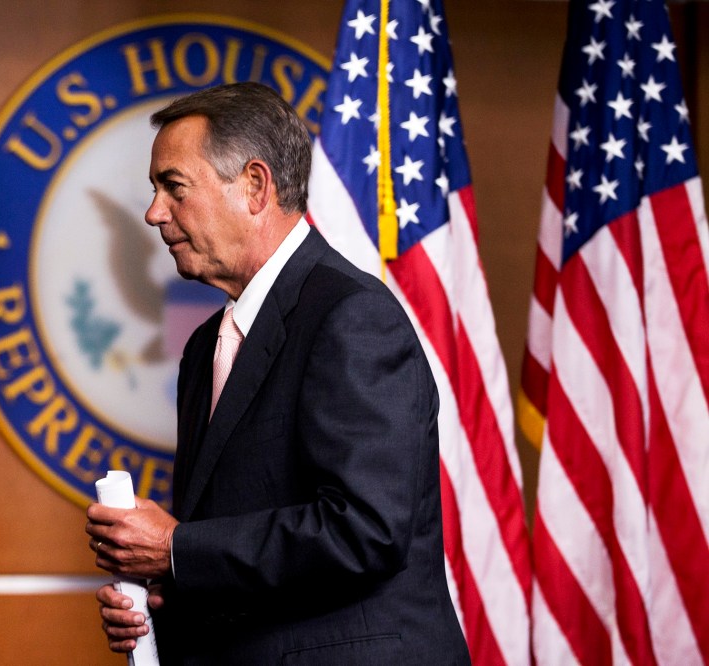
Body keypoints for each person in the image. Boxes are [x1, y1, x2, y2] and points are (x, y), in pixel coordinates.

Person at [85, 82, 470, 665]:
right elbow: (243, 539)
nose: (154, 212)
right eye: (154, 190)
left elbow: (366, 531)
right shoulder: (202, 349)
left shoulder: (351, 316)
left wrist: (176, 549)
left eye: (174, 187)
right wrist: (165, 593)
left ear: (255, 187)